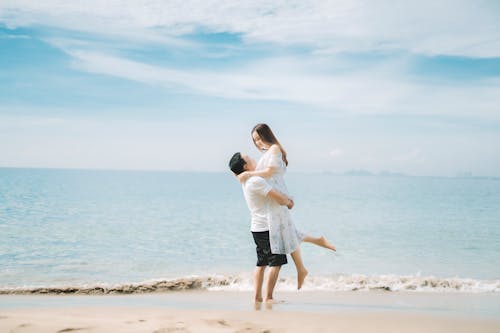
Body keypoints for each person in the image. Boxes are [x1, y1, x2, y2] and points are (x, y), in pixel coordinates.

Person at [238, 123, 336, 290]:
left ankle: (303, 267)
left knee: (289, 234)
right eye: (254, 141)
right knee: (289, 233)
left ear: (266, 135)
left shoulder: (274, 149)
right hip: (274, 200)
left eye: (259, 138)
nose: (257, 143)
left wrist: (248, 173)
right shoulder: (269, 152)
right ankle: (306, 261)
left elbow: (269, 172)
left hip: (277, 198)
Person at [229, 152, 293, 304]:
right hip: (268, 227)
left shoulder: (244, 179)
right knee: (276, 262)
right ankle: (268, 298)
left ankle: (257, 297)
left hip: (257, 227)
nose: (253, 158)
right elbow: (277, 197)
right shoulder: (255, 181)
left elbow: (235, 172)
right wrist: (289, 202)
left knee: (262, 262)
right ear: (246, 166)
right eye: (249, 158)